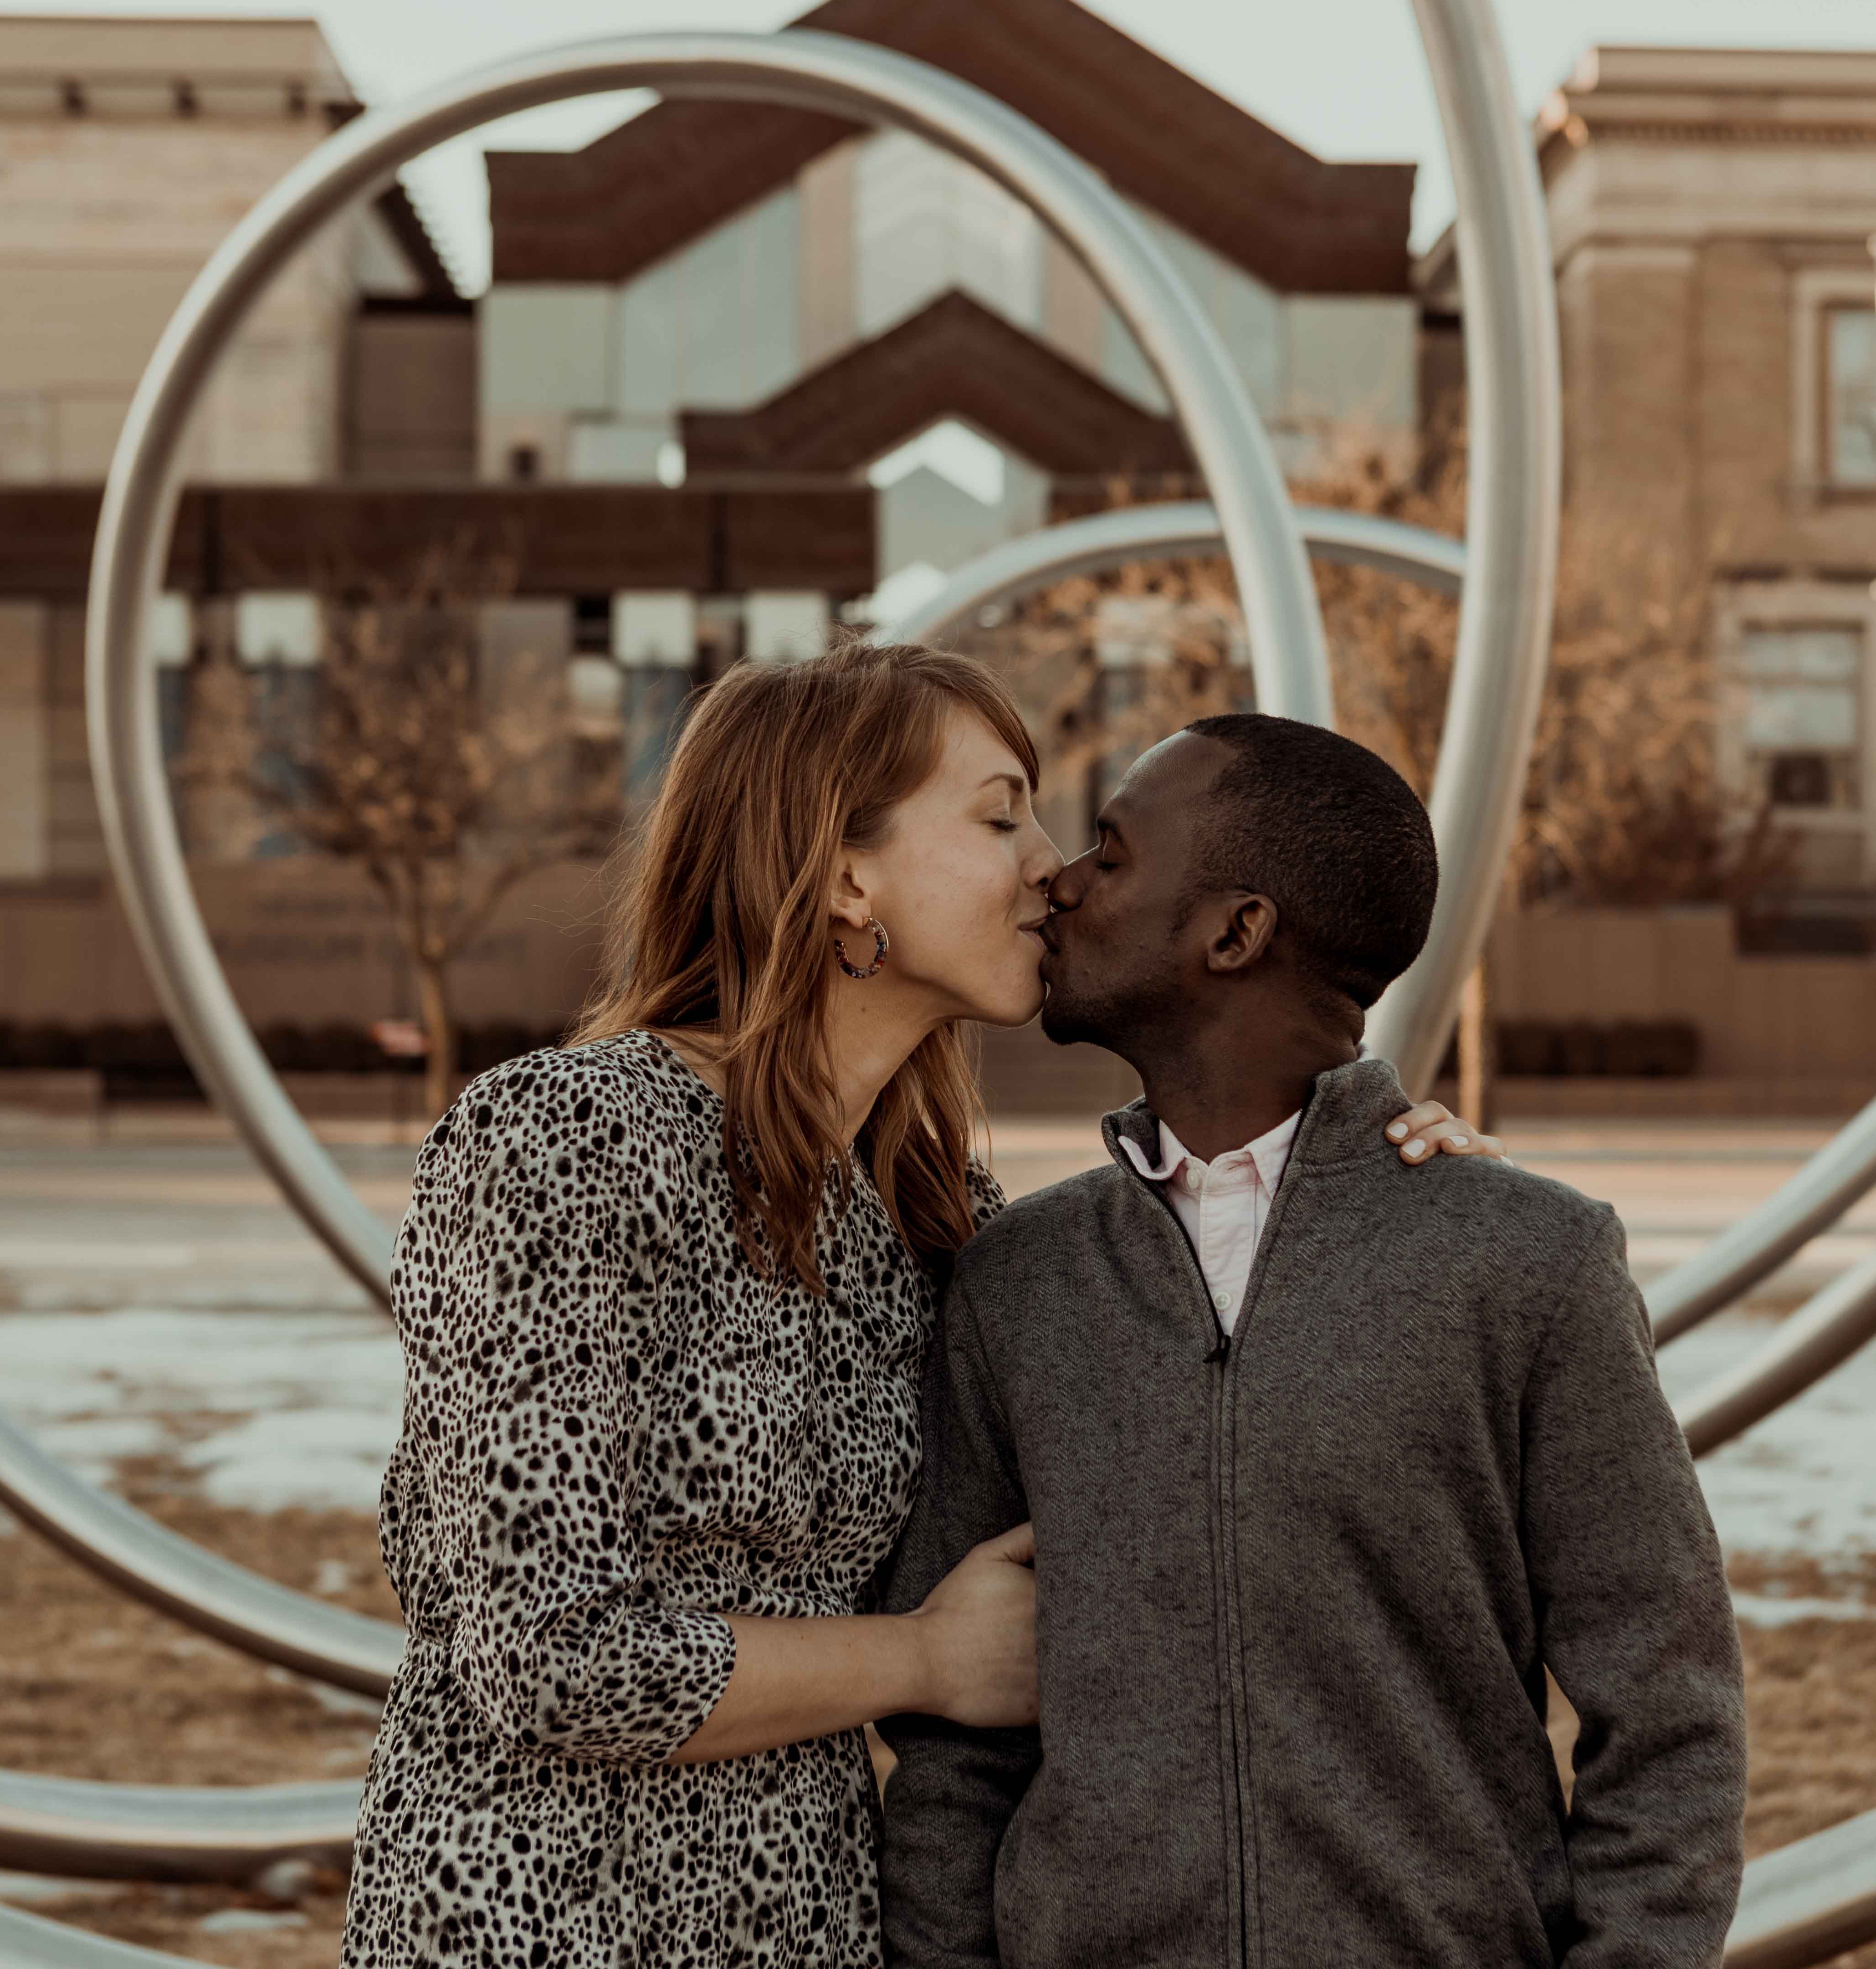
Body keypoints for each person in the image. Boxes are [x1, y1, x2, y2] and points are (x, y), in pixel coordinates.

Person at [342, 648, 1492, 1969]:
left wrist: (1375, 1185)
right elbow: (547, 1654)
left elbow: (1182, 1450)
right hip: (533, 1921)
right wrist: (926, 1663)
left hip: (811, 1929)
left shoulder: (933, 1215)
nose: (1051, 866)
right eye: (1001, 816)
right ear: (845, 871)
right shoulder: (563, 1141)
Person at [878, 714, 1749, 1969]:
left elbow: (1668, 1710)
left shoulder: (1526, 1265)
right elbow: (955, 1759)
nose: (1058, 878)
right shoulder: (1016, 1281)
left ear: (1234, 933)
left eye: (1114, 855)